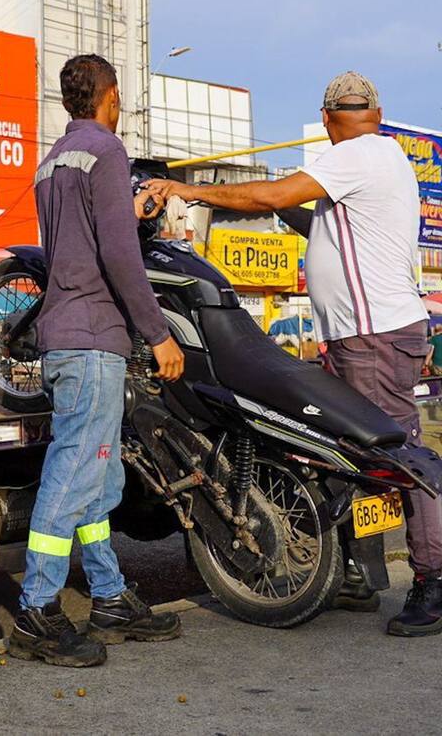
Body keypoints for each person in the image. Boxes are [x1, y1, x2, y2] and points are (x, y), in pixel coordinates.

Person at [149, 71, 442, 637]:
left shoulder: (356, 154)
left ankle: (433, 581)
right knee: (344, 455)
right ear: (374, 111)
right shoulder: (380, 158)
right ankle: (358, 573)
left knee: (401, 458)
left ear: (330, 119)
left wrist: (195, 190)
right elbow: (312, 218)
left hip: (373, 338)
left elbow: (276, 193)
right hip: (364, 336)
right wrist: (279, 205)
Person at [9, 54, 185, 668]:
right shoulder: (107, 152)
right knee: (73, 474)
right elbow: (116, 253)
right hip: (94, 337)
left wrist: (128, 213)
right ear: (110, 96)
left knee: (98, 478)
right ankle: (36, 611)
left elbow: (85, 236)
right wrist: (157, 332)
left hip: (65, 335)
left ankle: (108, 596)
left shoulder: (52, 161)